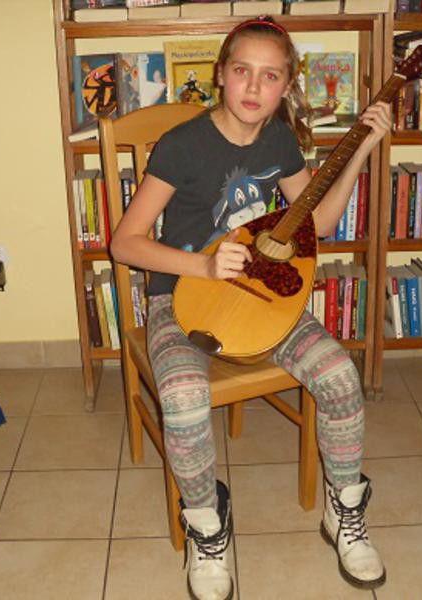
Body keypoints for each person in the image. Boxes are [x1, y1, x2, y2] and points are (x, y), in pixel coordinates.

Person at [110, 15, 391, 600]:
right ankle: (206, 526)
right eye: (242, 70)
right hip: (180, 297)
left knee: (340, 375)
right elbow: (125, 243)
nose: (254, 87)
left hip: (262, 298)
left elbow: (318, 224)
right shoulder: (181, 145)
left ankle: (343, 508)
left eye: (270, 76)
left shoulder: (280, 140)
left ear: (286, 86)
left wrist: (363, 148)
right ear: (221, 74)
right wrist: (205, 266)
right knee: (183, 397)